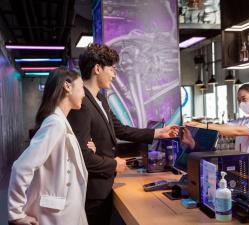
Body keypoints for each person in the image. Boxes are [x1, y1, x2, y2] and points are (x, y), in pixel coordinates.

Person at [67, 43, 179, 225]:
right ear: (97, 68)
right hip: (92, 193)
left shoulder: (100, 99)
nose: (114, 74)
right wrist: (113, 164)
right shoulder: (82, 104)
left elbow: (121, 130)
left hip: (104, 186)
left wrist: (159, 132)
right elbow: (81, 156)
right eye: (111, 69)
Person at [8, 67, 96, 225]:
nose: (84, 93)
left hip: (64, 212)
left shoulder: (59, 121)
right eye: (81, 87)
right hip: (57, 216)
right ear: (67, 86)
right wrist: (16, 214)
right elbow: (21, 167)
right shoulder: (55, 123)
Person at [185, 83, 249, 183]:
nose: (241, 103)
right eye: (239, 101)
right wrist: (199, 125)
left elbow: (238, 131)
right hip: (242, 176)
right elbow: (223, 127)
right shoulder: (242, 121)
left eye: (244, 99)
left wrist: (203, 126)